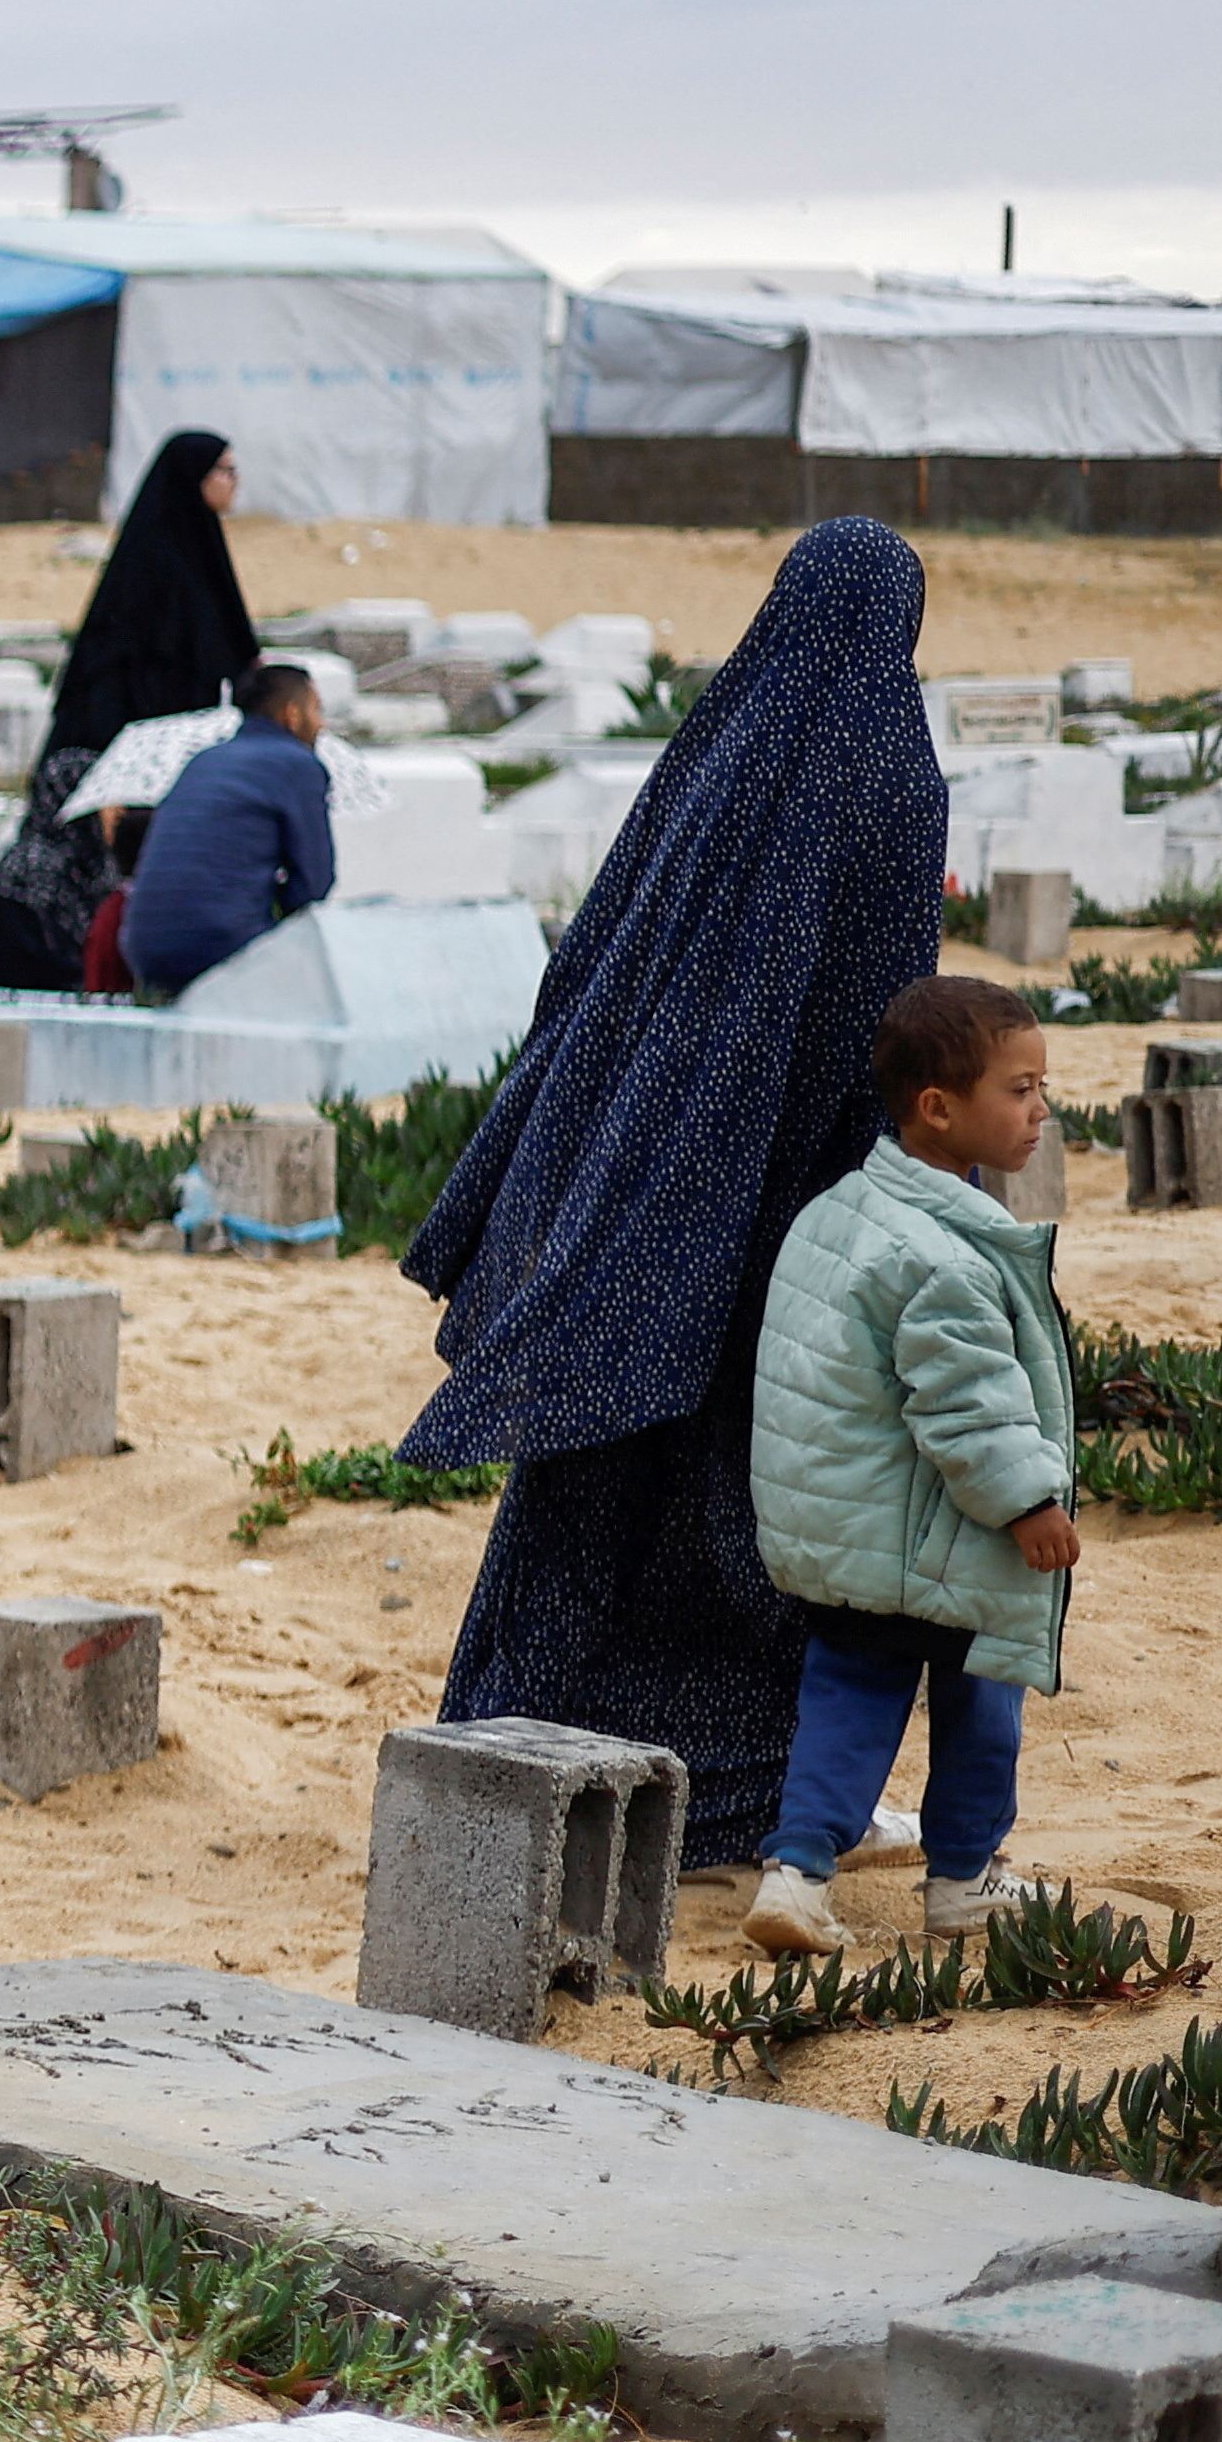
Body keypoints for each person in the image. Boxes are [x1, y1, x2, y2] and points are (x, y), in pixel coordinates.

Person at [398, 517, 948, 1869]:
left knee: (607, 1487)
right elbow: (886, 1029)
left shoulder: (721, 752)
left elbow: (596, 967)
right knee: (762, 1512)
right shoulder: (891, 772)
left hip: (650, 1187)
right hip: (797, 1203)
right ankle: (741, 1800)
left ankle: (525, 1740)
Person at [739, 977, 1076, 1955]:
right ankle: (963, 1879)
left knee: (844, 1700)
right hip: (945, 1539)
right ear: (939, 1106)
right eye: (1018, 1089)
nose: (1039, 1109)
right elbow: (969, 1412)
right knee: (983, 1705)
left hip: (844, 1535)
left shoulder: (838, 1212)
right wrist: (1029, 1504)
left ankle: (796, 1872)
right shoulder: (947, 1258)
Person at [0, 430, 257, 991]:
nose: (234, 484)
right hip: (118, 757)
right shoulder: (162, 565)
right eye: (224, 471)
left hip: (160, 756)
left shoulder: (198, 554)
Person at [115, 665, 337, 991]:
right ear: (291, 714)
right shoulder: (297, 764)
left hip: (143, 948)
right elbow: (313, 886)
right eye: (316, 709)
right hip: (221, 943)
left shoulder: (204, 760)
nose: (321, 724)